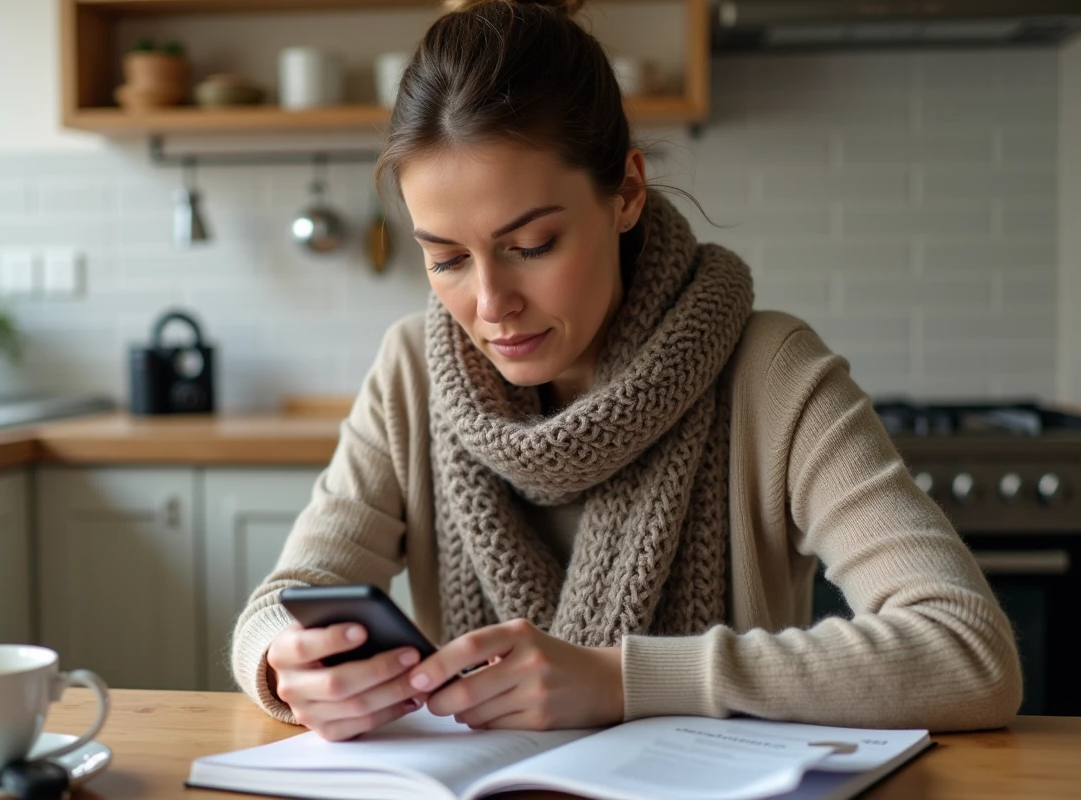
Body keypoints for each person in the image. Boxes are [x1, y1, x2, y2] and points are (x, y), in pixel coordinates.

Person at [231, 0, 1022, 742]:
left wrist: (623, 681)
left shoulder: (772, 375)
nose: (489, 303)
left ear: (628, 193)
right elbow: (279, 604)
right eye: (445, 259)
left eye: (531, 246)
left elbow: (968, 651)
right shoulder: (412, 370)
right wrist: (284, 664)